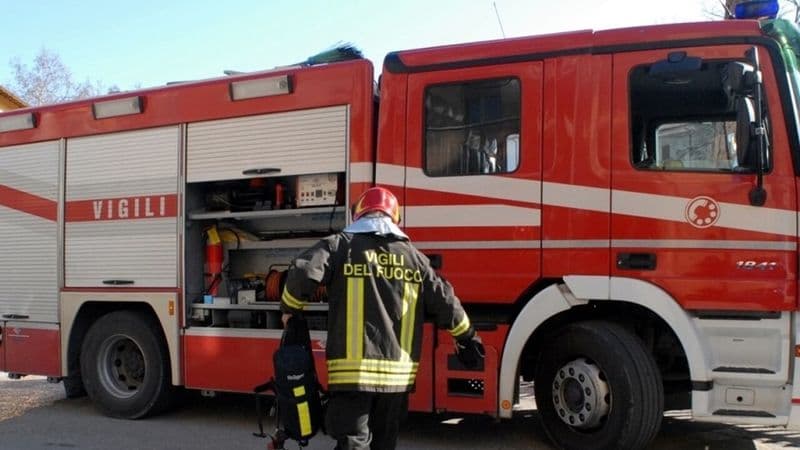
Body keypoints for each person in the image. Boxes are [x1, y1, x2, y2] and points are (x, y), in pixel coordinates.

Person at [280, 186, 484, 450]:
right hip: (397, 380)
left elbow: (303, 273)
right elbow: (446, 302)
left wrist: (290, 311)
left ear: (358, 215)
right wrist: (467, 338)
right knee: (385, 444)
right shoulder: (416, 260)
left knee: (354, 443)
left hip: (352, 375)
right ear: (395, 218)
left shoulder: (341, 246)